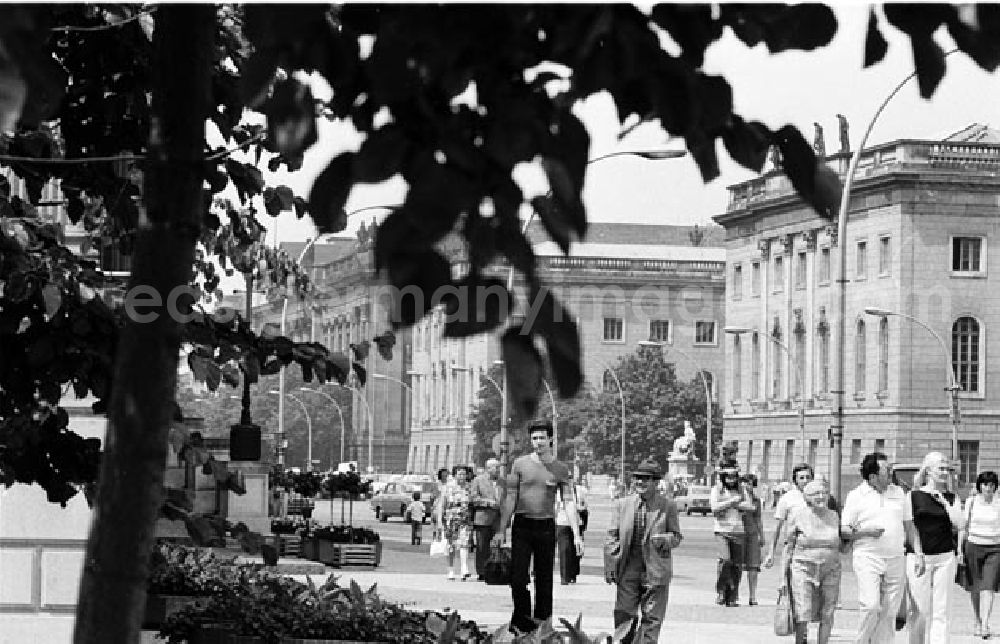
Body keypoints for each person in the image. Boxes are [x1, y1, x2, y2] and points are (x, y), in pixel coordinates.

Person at [493, 421, 583, 635]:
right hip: (523, 525)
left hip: (546, 526)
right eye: (534, 438)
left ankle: (543, 624)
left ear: (550, 439)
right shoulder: (519, 464)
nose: (538, 442)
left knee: (544, 579)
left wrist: (576, 535)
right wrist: (501, 529)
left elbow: (568, 502)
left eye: (542, 438)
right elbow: (510, 497)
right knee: (518, 577)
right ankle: (521, 622)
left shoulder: (560, 469)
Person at [841, 452, 921, 644]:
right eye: (887, 470)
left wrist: (918, 553)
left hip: (895, 558)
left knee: (889, 612)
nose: (892, 473)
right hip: (868, 557)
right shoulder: (856, 496)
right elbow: (844, 530)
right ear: (873, 477)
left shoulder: (899, 493)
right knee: (870, 606)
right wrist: (865, 532)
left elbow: (909, 525)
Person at [603, 457, 682, 644]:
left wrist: (667, 539)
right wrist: (610, 565)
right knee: (624, 616)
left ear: (656, 482)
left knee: (652, 620)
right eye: (637, 478)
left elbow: (677, 536)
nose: (640, 482)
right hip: (628, 570)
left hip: (655, 571)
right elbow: (611, 537)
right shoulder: (622, 505)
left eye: (645, 478)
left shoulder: (667, 506)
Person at [905, 451, 964, 644]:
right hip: (919, 557)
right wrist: (919, 552)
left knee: (942, 609)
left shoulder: (951, 497)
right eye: (941, 468)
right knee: (920, 609)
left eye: (947, 468)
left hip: (945, 557)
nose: (945, 472)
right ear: (928, 471)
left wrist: (945, 502)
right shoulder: (913, 496)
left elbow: (960, 524)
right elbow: (910, 526)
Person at [786, 480, 843, 644]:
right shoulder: (798, 515)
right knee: (803, 611)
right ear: (807, 497)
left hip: (831, 569)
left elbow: (842, 544)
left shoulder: (834, 516)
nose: (821, 496)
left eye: (824, 493)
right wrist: (783, 578)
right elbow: (788, 546)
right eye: (816, 494)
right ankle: (800, 641)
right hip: (803, 567)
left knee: (828, 611)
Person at [764, 463, 838, 570]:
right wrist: (771, 553)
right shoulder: (787, 499)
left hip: (818, 547)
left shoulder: (822, 497)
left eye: (808, 477)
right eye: (801, 478)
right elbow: (777, 528)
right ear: (796, 480)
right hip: (793, 547)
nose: (805, 480)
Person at [957, 470, 1000, 638]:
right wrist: (960, 549)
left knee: (988, 586)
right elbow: (963, 526)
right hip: (973, 545)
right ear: (979, 486)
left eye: (991, 485)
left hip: (995, 548)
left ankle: (985, 624)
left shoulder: (999, 503)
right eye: (985, 484)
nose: (988, 488)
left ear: (996, 487)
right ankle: (977, 619)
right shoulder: (971, 502)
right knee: (974, 586)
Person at [710, 459, 755, 606]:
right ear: (723, 477)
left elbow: (750, 507)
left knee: (736, 565)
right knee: (725, 560)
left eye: (734, 476)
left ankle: (732, 596)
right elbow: (714, 508)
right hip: (722, 530)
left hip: (738, 531)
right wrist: (732, 502)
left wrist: (734, 502)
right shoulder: (717, 490)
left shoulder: (741, 489)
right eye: (728, 476)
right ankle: (721, 590)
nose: (731, 479)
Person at [437, 464, 474, 581]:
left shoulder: (469, 487)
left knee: (464, 544)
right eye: (459, 474)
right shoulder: (447, 488)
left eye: (464, 474)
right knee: (451, 546)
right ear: (454, 475)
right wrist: (439, 521)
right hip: (450, 520)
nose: (462, 476)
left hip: (465, 520)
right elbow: (441, 505)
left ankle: (464, 568)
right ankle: (451, 570)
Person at [469, 457, 502, 581]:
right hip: (483, 518)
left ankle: (496, 570)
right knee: (482, 547)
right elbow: (473, 498)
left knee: (498, 546)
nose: (498, 470)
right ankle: (482, 571)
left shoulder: (502, 482)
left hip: (498, 519)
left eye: (499, 467)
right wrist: (487, 503)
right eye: (496, 467)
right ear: (488, 468)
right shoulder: (478, 480)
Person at [556, 475, 588, 585]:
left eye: (570, 478)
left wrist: (579, 508)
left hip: (577, 522)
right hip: (562, 522)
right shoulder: (557, 491)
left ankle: (573, 574)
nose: (568, 480)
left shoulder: (580, 491)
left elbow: (584, 506)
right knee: (564, 550)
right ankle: (564, 577)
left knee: (575, 551)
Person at [741, 474, 765, 606]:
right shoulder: (736, 499)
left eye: (750, 484)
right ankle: (734, 594)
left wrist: (762, 535)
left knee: (754, 567)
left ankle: (752, 595)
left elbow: (758, 519)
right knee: (737, 566)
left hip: (752, 534)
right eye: (745, 483)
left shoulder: (756, 501)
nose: (747, 486)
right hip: (739, 533)